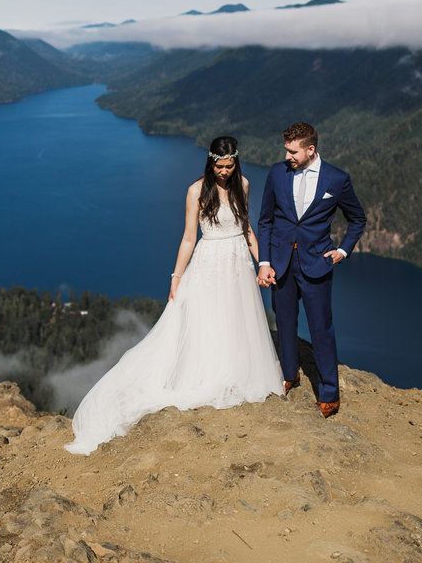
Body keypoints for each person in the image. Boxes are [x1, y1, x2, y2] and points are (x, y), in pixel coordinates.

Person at [65, 136, 283, 455]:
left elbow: (247, 226)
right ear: (210, 162)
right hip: (210, 264)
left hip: (238, 264)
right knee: (210, 321)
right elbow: (188, 238)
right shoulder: (196, 191)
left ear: (237, 162)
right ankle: (211, 374)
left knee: (237, 320)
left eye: (229, 165)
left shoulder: (244, 184)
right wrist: (176, 276)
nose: (224, 171)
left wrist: (262, 261)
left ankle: (237, 372)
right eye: (219, 166)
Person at [257, 122, 365, 418]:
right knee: (285, 323)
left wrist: (342, 251)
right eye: (286, 150)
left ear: (311, 149)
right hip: (281, 265)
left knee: (321, 329)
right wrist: (265, 262)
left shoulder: (337, 180)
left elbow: (358, 219)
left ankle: (329, 392)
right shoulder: (277, 173)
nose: (287, 156)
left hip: (317, 264)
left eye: (292, 151)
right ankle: (290, 375)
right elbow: (265, 221)